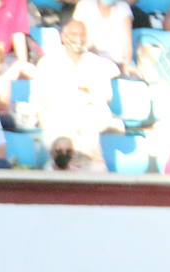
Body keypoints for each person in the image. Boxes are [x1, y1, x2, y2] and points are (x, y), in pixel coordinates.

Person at [32, 21, 120, 166]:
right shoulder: (48, 63)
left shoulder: (97, 64)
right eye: (73, 34)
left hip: (87, 125)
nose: (78, 38)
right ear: (63, 37)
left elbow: (105, 97)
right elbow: (38, 100)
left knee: (94, 163)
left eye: (82, 34)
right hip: (57, 123)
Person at [72, 0, 133, 72]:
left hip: (116, 63)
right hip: (89, 58)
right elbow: (74, 33)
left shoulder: (123, 8)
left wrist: (127, 65)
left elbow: (127, 41)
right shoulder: (84, 5)